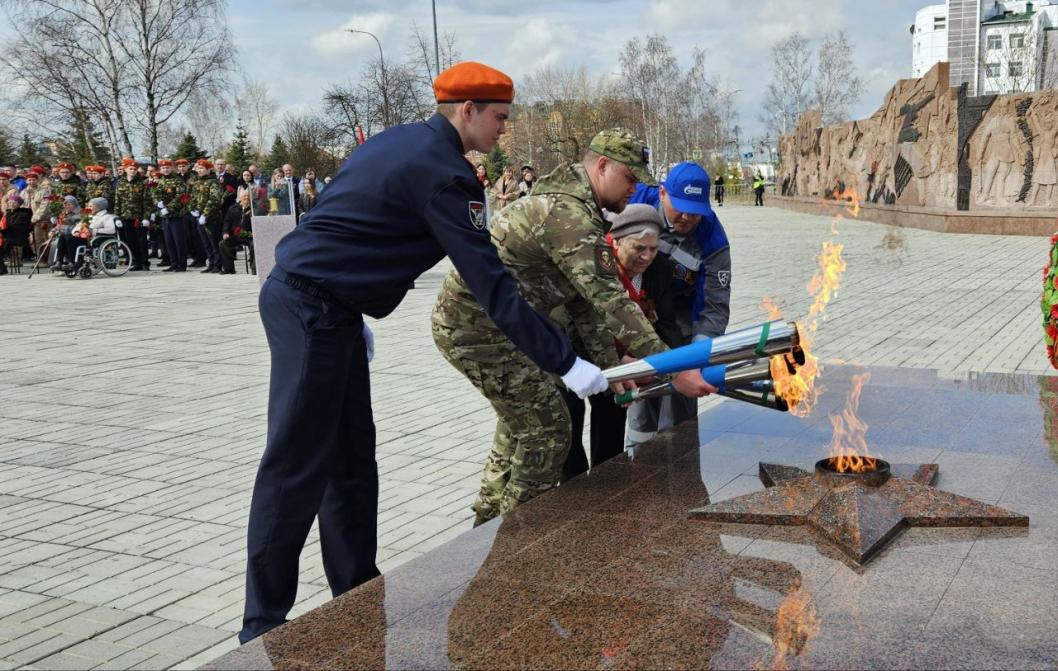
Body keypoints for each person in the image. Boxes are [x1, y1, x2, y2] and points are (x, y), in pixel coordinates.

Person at [240, 61, 610, 644]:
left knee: (352, 461)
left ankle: (357, 590)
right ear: (467, 111)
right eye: (499, 118)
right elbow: (493, 286)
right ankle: (261, 625)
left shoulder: (398, 142)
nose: (503, 131)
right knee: (295, 467)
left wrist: (347, 303)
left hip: (323, 306)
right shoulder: (445, 174)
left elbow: (340, 220)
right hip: (311, 309)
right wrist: (565, 362)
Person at [432, 128, 715, 526]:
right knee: (548, 429)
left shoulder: (576, 206)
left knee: (522, 422)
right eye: (630, 178)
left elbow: (583, 305)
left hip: (497, 327)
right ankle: (519, 537)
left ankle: (489, 520)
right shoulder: (570, 216)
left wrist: (612, 362)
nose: (635, 189)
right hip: (477, 329)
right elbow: (611, 301)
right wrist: (674, 368)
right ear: (602, 166)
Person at [560, 204, 683, 480]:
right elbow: (577, 325)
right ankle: (572, 505)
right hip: (572, 356)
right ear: (615, 241)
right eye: (639, 248)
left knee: (610, 437)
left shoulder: (660, 269)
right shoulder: (594, 264)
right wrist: (615, 360)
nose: (647, 256)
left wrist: (675, 362)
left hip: (624, 365)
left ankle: (607, 496)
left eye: (653, 248)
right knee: (568, 437)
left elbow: (665, 323)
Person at [626, 161, 731, 448]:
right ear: (662, 194)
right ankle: (636, 466)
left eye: (695, 211)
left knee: (682, 401)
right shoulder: (635, 203)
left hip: (682, 322)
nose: (686, 217)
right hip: (637, 317)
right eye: (680, 206)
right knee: (641, 402)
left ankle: (684, 477)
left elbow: (714, 306)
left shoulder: (713, 239)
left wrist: (697, 357)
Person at [151, 159, 190, 272]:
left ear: (172, 168)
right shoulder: (161, 181)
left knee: (179, 241)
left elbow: (181, 197)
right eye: (163, 168)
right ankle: (173, 263)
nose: (165, 170)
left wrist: (168, 208)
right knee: (169, 240)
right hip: (165, 216)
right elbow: (155, 194)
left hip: (176, 215)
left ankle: (181, 265)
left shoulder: (178, 180)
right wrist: (158, 203)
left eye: (167, 168)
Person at [113, 158, 149, 271]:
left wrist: (146, 217)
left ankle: (144, 262)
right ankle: (136, 262)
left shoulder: (142, 182)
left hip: (139, 216)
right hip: (125, 215)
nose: (133, 171)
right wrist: (117, 216)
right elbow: (117, 200)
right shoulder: (121, 182)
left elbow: (146, 201)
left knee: (141, 240)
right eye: (130, 169)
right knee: (130, 240)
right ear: (125, 169)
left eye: (134, 169)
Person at [220, 187, 252, 274]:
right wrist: (225, 232)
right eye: (244, 196)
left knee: (254, 244)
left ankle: (254, 268)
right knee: (223, 243)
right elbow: (227, 221)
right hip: (236, 235)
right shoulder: (233, 208)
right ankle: (229, 269)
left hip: (250, 235)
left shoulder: (254, 207)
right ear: (240, 197)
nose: (246, 198)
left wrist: (247, 211)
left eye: (248, 196)